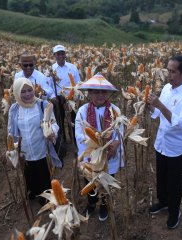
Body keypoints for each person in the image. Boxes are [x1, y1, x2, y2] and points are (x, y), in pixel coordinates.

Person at [147, 55, 182, 229]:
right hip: (161, 143)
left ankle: (174, 211)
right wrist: (150, 105)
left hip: (177, 148)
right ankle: (163, 202)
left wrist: (160, 105)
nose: (168, 75)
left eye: (172, 71)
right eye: (167, 70)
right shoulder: (167, 88)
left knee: (175, 183)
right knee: (161, 178)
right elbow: (157, 114)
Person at [75, 73, 122, 222]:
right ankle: (91, 203)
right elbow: (79, 135)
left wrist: (115, 143)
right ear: (89, 93)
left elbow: (119, 131)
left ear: (108, 93)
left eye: (103, 92)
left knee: (107, 181)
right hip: (91, 155)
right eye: (96, 91)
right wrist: (95, 146)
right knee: (90, 181)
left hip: (110, 154)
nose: (100, 95)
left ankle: (104, 205)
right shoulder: (82, 111)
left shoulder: (115, 110)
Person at [8, 77, 60, 206]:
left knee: (44, 174)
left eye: (29, 90)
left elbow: (53, 123)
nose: (27, 94)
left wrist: (51, 131)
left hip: (42, 148)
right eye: (23, 92)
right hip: (24, 150)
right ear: (16, 93)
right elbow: (11, 130)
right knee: (30, 174)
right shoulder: (14, 109)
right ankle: (34, 192)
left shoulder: (42, 104)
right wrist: (11, 147)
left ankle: (47, 196)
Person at [51, 44, 80, 144]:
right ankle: (62, 141)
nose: (60, 56)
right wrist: (54, 98)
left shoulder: (72, 67)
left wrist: (77, 96)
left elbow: (77, 83)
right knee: (60, 121)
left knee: (73, 121)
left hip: (72, 99)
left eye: (62, 53)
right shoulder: (51, 69)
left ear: (65, 55)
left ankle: (75, 140)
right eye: (58, 54)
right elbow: (49, 86)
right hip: (58, 99)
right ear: (54, 55)